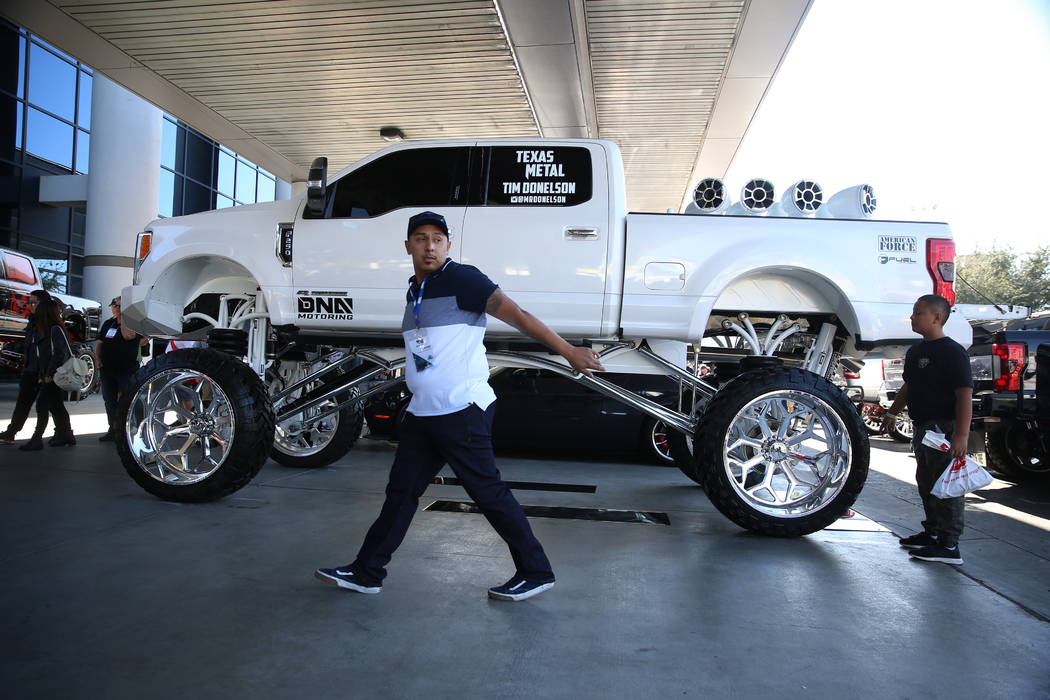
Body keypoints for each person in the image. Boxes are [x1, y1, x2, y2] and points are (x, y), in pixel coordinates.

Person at [315, 211, 604, 601]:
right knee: (400, 494)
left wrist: (569, 351)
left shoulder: (464, 279)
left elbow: (518, 315)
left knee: (488, 493)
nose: (429, 245)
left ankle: (536, 571)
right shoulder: (413, 290)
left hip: (461, 408)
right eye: (420, 238)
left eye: (437, 238)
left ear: (448, 245)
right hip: (423, 412)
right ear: (408, 246)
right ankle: (367, 572)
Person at [882, 294, 973, 565]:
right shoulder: (916, 352)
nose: (912, 317)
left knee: (947, 487)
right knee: (927, 483)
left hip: (945, 429)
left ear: (937, 317)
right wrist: (893, 411)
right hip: (923, 428)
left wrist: (961, 435)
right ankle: (932, 534)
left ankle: (949, 545)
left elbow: (964, 395)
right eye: (912, 312)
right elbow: (909, 387)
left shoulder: (952, 352)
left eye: (918, 312)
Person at [17, 295, 75, 451]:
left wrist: (48, 375)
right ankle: (65, 434)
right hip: (49, 375)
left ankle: (37, 439)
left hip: (54, 375)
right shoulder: (46, 329)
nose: (33, 309)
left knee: (43, 405)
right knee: (55, 406)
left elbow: (59, 354)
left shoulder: (54, 329)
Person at [0, 290, 51, 444]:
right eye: (29, 302)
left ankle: (40, 438)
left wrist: (48, 373)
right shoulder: (32, 322)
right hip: (30, 370)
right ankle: (11, 432)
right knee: (23, 403)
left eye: (33, 302)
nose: (30, 305)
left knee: (47, 407)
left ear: (43, 304)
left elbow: (56, 351)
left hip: (46, 373)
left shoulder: (52, 325)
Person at [96, 296, 148, 441]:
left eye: (119, 306)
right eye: (114, 306)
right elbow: (100, 342)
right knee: (109, 400)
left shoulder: (133, 324)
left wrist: (125, 316)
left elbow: (129, 336)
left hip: (127, 368)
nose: (116, 308)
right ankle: (114, 428)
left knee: (129, 399)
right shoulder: (109, 323)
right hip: (107, 368)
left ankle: (136, 429)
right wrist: (98, 359)